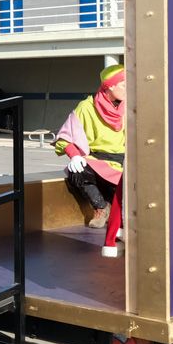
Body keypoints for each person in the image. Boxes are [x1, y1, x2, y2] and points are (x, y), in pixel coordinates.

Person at [55, 64, 129, 254]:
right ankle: (101, 207)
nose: (128, 87)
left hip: (123, 161)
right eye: (123, 83)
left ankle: (119, 219)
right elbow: (64, 137)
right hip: (95, 159)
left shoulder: (131, 106)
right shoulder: (86, 107)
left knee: (123, 191)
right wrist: (74, 155)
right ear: (109, 86)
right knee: (76, 172)